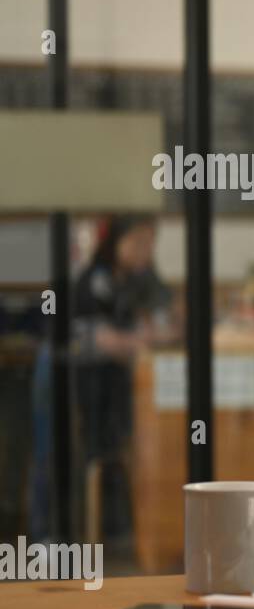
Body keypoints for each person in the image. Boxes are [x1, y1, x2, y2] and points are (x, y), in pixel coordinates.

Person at [71, 214, 176, 555]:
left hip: (119, 386)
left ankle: (121, 534)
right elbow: (101, 340)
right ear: (117, 241)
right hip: (85, 386)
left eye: (151, 244)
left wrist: (154, 332)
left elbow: (169, 316)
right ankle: (69, 541)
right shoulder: (94, 280)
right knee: (89, 458)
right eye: (139, 243)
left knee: (126, 451)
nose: (146, 251)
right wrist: (141, 339)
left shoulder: (139, 279)